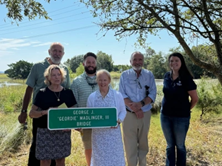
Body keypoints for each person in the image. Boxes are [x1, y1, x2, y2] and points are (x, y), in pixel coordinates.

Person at [18, 42, 70, 166]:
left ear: (63, 54)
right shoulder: (37, 67)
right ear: (49, 52)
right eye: (54, 50)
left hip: (58, 114)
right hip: (40, 113)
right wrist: (24, 111)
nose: (57, 53)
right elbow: (29, 89)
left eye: (59, 51)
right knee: (39, 145)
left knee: (57, 146)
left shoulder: (65, 69)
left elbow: (68, 92)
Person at [29, 65, 76, 166]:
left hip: (62, 132)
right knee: (45, 161)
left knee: (60, 160)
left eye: (59, 74)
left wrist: (70, 125)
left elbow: (74, 111)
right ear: (48, 78)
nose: (56, 77)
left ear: (62, 76)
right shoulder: (42, 93)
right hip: (45, 131)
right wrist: (45, 112)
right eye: (53, 75)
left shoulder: (68, 93)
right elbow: (31, 114)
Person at [119, 51, 157, 166]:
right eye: (135, 59)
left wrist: (140, 105)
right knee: (130, 143)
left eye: (140, 59)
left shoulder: (149, 75)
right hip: (129, 114)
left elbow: (153, 93)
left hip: (145, 114)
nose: (137, 62)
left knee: (143, 142)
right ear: (130, 61)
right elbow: (121, 95)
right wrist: (135, 108)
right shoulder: (124, 75)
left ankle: (143, 164)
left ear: (143, 61)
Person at [160, 52, 198, 166]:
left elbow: (195, 99)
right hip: (165, 116)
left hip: (181, 118)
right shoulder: (167, 76)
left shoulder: (186, 78)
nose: (174, 63)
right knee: (170, 145)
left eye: (176, 60)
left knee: (180, 145)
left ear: (181, 62)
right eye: (171, 61)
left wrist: (187, 109)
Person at [87, 69, 126, 166]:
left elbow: (123, 111)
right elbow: (88, 115)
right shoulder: (92, 97)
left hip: (113, 134)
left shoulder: (117, 95)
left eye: (105, 80)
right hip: (98, 135)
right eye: (100, 80)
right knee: (99, 159)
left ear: (109, 81)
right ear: (97, 81)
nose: (102, 82)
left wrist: (118, 121)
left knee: (115, 157)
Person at [70, 52, 99, 166]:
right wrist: (75, 122)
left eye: (93, 62)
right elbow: (73, 103)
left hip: (101, 120)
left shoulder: (102, 79)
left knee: (102, 147)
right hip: (85, 120)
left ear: (96, 64)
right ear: (83, 64)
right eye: (88, 62)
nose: (91, 65)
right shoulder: (77, 81)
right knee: (88, 147)